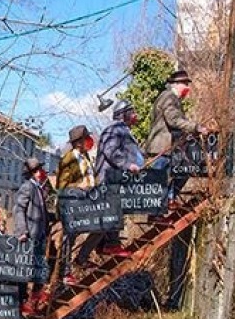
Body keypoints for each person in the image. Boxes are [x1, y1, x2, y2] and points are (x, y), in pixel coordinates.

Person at [144, 69, 209, 207]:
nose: (187, 88)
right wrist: (196, 127)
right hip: (162, 146)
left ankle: (169, 199)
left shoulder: (172, 99)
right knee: (160, 178)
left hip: (172, 146)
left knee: (182, 171)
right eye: (185, 84)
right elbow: (174, 120)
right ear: (176, 84)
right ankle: (159, 206)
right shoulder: (168, 97)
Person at [94, 100, 142, 258]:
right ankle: (111, 244)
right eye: (132, 111)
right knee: (113, 210)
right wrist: (128, 165)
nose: (135, 115)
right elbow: (111, 151)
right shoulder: (114, 130)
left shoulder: (121, 130)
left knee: (113, 210)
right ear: (124, 114)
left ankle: (103, 245)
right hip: (109, 179)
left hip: (115, 178)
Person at [57, 125, 99, 285]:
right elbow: (63, 187)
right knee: (69, 238)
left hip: (88, 202)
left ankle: (82, 258)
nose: (90, 141)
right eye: (86, 138)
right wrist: (81, 188)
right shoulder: (68, 159)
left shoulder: (86, 157)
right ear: (79, 142)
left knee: (103, 225)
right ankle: (65, 272)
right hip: (72, 205)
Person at [13, 158, 51, 315]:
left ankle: (34, 297)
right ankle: (22, 302)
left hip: (39, 235)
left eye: (41, 169)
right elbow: (18, 209)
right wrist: (22, 231)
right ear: (32, 173)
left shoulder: (39, 189)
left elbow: (41, 213)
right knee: (25, 269)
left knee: (38, 267)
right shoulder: (27, 187)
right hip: (30, 236)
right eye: (38, 170)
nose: (41, 172)